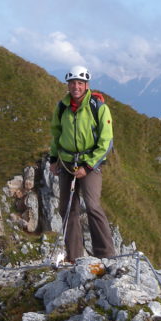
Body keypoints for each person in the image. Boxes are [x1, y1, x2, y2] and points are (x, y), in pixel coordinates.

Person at [48, 65, 116, 263]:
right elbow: (56, 135)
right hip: (67, 164)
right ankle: (74, 255)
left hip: (89, 165)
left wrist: (88, 167)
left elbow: (106, 142)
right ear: (68, 85)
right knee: (67, 207)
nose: (75, 87)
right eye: (72, 83)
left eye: (79, 83)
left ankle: (106, 254)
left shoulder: (98, 107)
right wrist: (53, 159)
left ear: (86, 85)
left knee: (93, 205)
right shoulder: (62, 107)